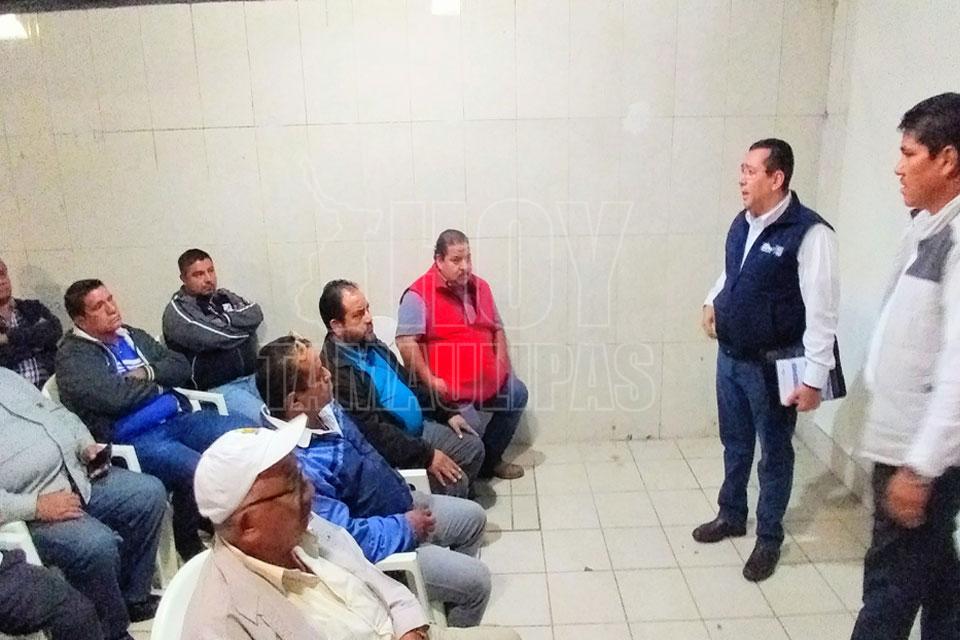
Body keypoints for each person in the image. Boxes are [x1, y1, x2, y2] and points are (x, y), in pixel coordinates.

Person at [183, 425, 521, 640]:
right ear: (248, 525)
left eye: (301, 475)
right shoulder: (223, 624)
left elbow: (381, 585)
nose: (310, 490)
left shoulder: (305, 529)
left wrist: (410, 629)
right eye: (293, 485)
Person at [256, 336, 491, 627]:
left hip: (401, 504)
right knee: (478, 583)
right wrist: (405, 526)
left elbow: (371, 456)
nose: (329, 375)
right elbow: (341, 541)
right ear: (295, 401)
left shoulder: (324, 410)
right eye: (319, 375)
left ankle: (443, 603)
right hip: (382, 552)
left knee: (474, 519)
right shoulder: (297, 468)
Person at [694, 139, 840, 581]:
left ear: (777, 179)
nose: (742, 179)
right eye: (742, 169)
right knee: (735, 443)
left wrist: (814, 380)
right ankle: (731, 514)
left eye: (751, 171)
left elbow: (823, 313)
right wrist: (712, 299)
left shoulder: (811, 234)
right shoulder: (743, 222)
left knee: (774, 453)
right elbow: (734, 271)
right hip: (731, 357)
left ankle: (769, 538)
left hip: (773, 366)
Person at [851, 93, 960, 640]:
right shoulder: (925, 228)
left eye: (909, 153)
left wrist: (919, 469)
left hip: (920, 458)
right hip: (902, 444)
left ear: (947, 159)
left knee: (889, 589)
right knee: (938, 577)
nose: (898, 167)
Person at [55, 278, 249, 560]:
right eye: (98, 306)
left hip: (177, 418)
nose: (111, 308)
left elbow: (180, 366)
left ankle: (228, 517)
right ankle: (188, 541)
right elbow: (114, 398)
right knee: (196, 468)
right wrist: (158, 386)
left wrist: (146, 373)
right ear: (80, 321)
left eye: (110, 299)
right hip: (132, 438)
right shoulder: (74, 357)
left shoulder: (130, 335)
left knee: (244, 431)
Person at [0, 367, 167, 640]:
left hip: (76, 474)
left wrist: (85, 443)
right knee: (95, 545)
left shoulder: (6, 377)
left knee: (148, 494)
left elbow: (56, 412)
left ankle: (132, 598)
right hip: (30, 506)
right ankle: (111, 631)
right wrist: (36, 506)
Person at [319, 280, 483, 498]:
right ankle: (438, 505)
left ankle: (455, 496)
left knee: (473, 448)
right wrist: (428, 456)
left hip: (418, 432)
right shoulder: (338, 373)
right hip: (394, 452)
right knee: (456, 483)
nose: (368, 318)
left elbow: (410, 383)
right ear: (337, 326)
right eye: (358, 315)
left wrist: (447, 412)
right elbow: (375, 435)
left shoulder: (371, 344)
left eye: (367, 308)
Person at [397, 230, 526, 480]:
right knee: (471, 430)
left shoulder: (481, 287)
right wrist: (430, 381)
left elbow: (497, 328)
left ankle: (490, 462)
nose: (465, 266)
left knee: (517, 393)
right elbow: (405, 344)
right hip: (450, 392)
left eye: (468, 258)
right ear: (439, 260)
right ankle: (470, 477)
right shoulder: (417, 294)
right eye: (456, 260)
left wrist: (501, 364)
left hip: (487, 382)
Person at [162, 248, 265, 423]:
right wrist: (245, 331)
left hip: (253, 377)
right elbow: (213, 337)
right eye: (199, 274)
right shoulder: (177, 312)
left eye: (210, 271)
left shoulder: (224, 296)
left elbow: (255, 313)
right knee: (268, 422)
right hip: (217, 389)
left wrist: (224, 320)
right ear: (184, 278)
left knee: (294, 406)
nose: (208, 279)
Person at [0, 257, 62, 388]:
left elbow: (55, 330)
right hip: (12, 394)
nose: (2, 281)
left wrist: (8, 338)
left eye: (3, 274)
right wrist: (35, 342)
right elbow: (3, 358)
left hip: (51, 388)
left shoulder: (32, 307)